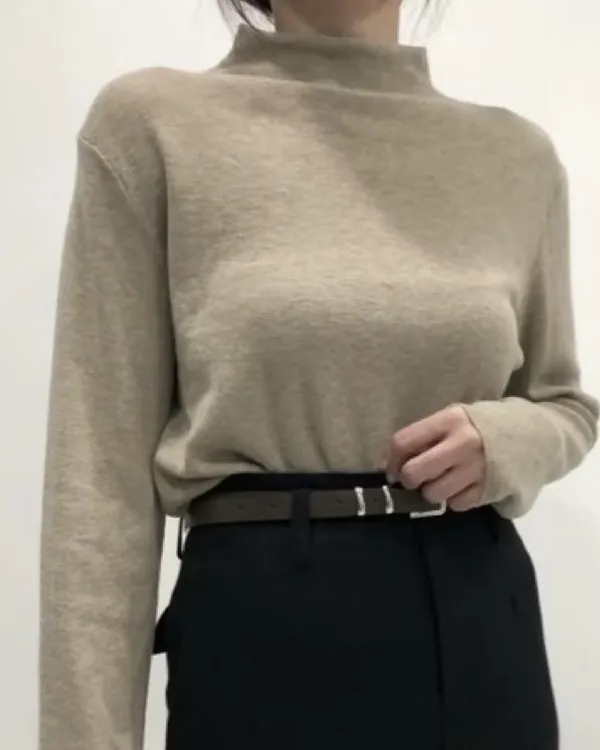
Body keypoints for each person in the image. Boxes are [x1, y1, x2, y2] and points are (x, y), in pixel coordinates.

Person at [39, 1, 598, 749]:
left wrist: (506, 439)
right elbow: (98, 487)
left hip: (474, 621)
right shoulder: (153, 125)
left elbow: (564, 403)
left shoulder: (518, 157)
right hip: (259, 628)